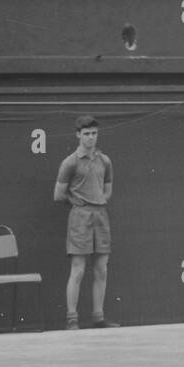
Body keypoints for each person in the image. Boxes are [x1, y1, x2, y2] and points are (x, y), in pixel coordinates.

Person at [53, 116, 120, 330]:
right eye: (87, 134)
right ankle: (72, 320)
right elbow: (58, 194)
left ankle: (99, 318)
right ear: (78, 135)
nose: (91, 138)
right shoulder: (70, 162)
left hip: (101, 216)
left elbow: (108, 190)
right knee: (78, 268)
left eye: (94, 133)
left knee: (102, 268)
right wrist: (79, 204)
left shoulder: (105, 161)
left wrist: (97, 202)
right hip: (79, 218)